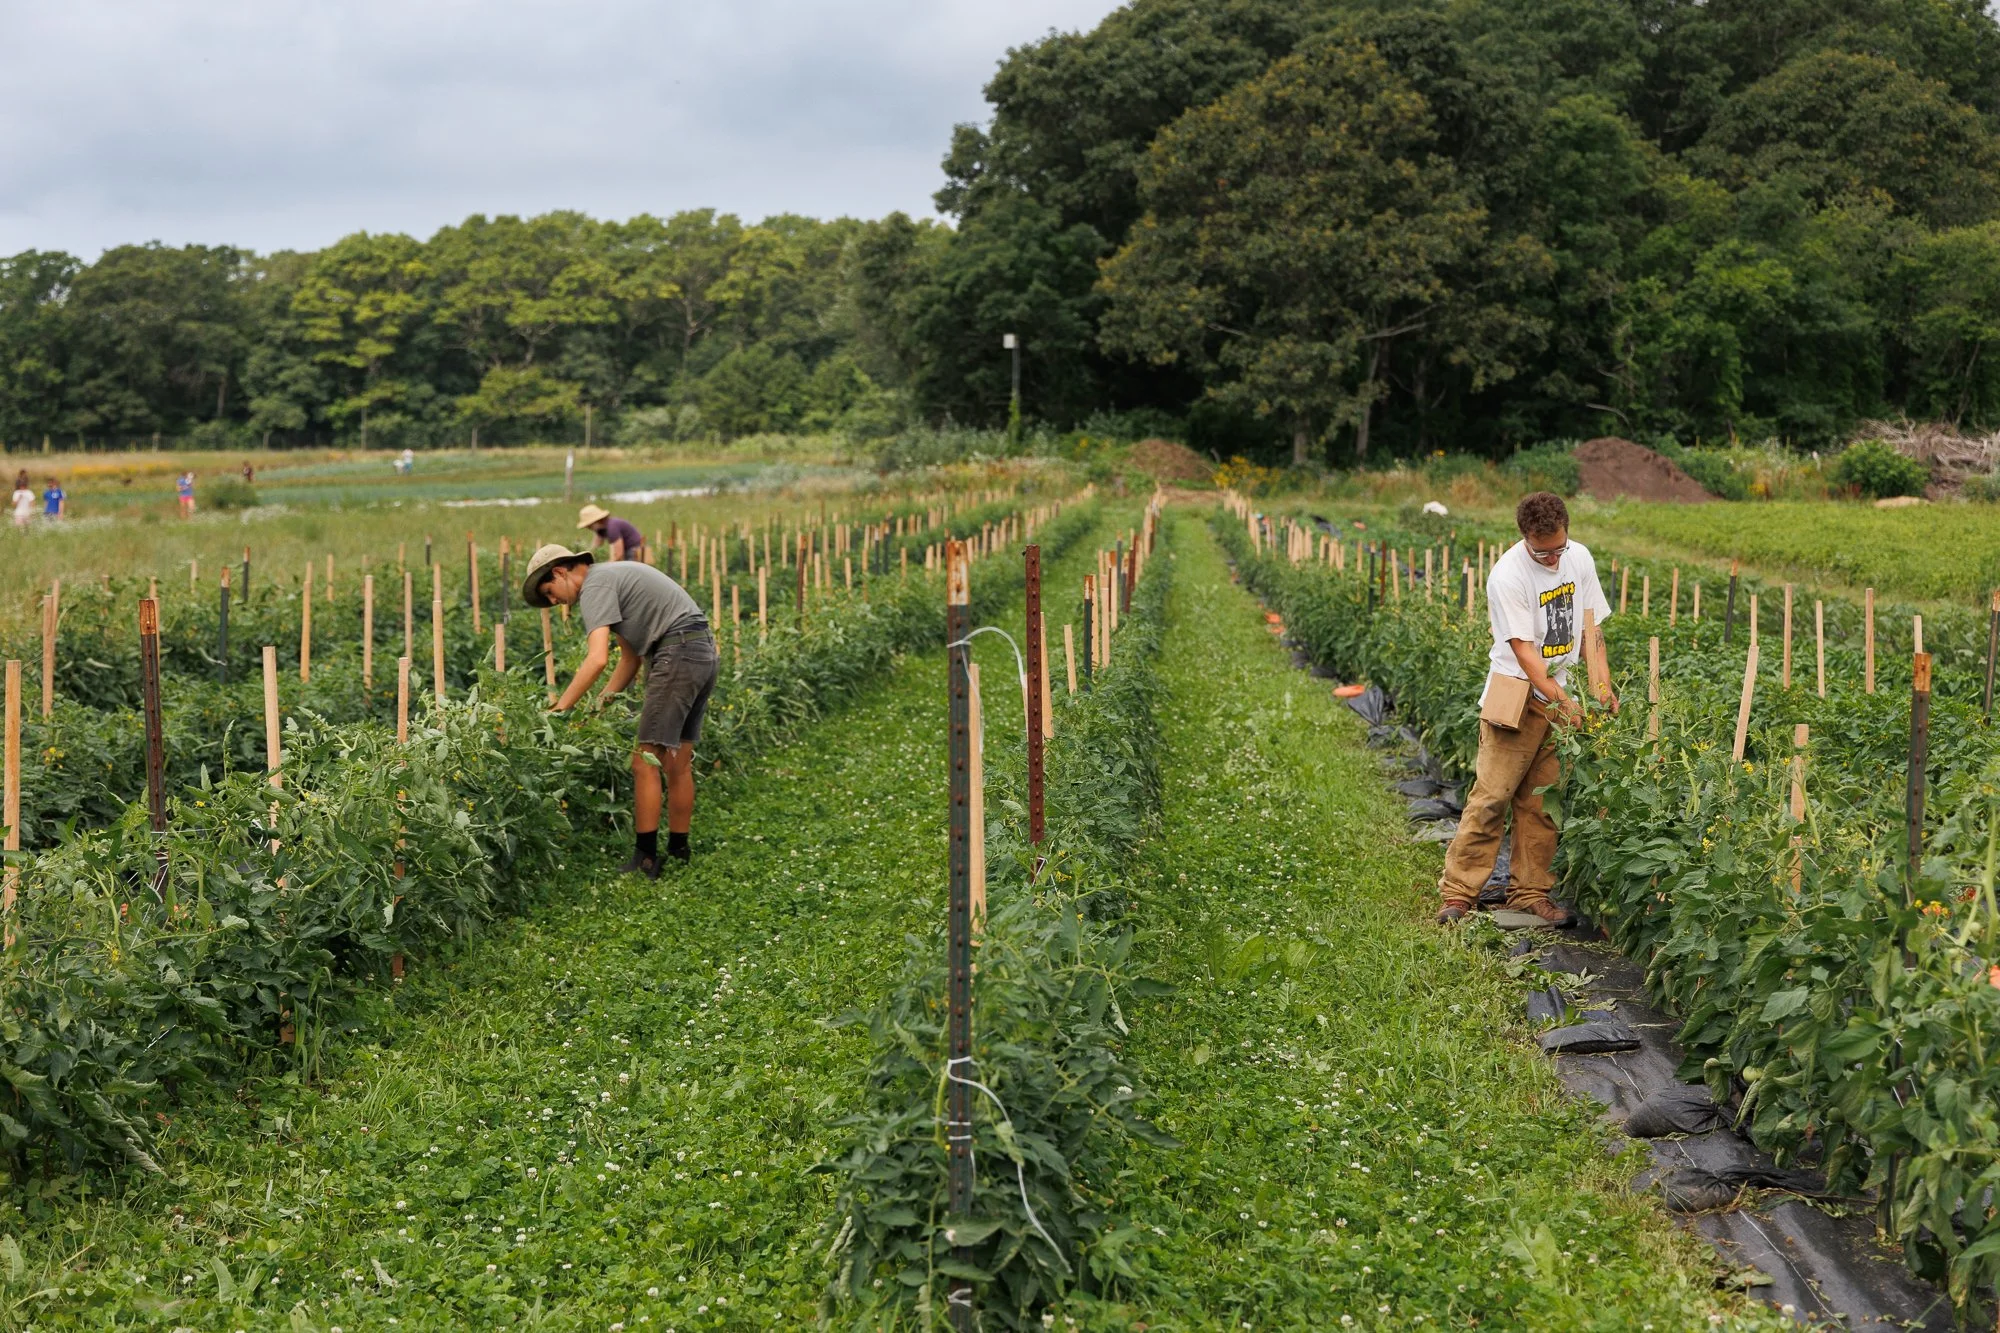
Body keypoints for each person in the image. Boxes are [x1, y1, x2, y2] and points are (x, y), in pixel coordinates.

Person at [1437, 491, 1616, 928]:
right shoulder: (1507, 575)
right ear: (1524, 538)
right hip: (1516, 695)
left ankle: (1531, 892)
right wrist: (1567, 703)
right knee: (1492, 797)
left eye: (1559, 548)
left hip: (1561, 696)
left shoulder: (1580, 558)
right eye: (1543, 552)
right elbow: (1526, 655)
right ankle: (1459, 893)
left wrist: (1601, 688)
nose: (1553, 559)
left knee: (1542, 804)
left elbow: (1591, 631)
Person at [523, 543, 716, 877]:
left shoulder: (595, 585)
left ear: (559, 572)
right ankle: (678, 851)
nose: (555, 602)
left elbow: (597, 658)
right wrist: (600, 707)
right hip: (699, 651)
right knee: (677, 761)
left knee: (644, 761)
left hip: (677, 654)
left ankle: (645, 860)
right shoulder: (613, 577)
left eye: (550, 592)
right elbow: (629, 659)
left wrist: (560, 709)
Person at [576, 504, 648, 563]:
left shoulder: (612, 527)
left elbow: (618, 555)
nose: (588, 527)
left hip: (634, 551)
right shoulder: (601, 529)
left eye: (589, 525)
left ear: (596, 521)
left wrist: (606, 566)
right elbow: (595, 546)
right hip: (628, 551)